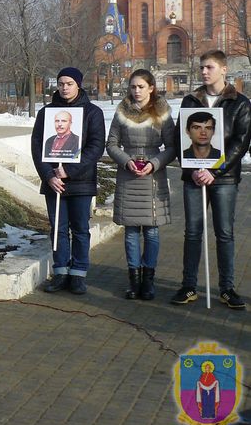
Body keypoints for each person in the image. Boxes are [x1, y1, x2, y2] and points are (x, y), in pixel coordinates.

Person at [171, 50, 251, 309]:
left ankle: (227, 288)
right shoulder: (191, 100)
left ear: (224, 70)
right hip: (194, 177)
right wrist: (192, 168)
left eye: (210, 67)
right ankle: (188, 285)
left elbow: (241, 143)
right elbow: (179, 137)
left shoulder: (239, 103)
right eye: (202, 68)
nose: (204, 72)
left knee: (225, 233)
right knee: (193, 232)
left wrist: (214, 170)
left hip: (224, 179)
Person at [31, 67, 105, 295]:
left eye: (69, 83)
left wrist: (70, 170)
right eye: (61, 83)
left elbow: (95, 146)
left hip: (80, 181)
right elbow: (37, 145)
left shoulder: (92, 112)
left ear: (79, 85)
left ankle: (78, 274)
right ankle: (61, 271)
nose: (64, 87)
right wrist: (49, 175)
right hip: (54, 182)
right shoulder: (47, 113)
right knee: (58, 229)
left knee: (81, 229)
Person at [106, 69, 177, 300]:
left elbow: (172, 147)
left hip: (153, 176)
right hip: (129, 175)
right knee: (130, 231)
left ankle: (148, 281)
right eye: (133, 87)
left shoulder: (163, 112)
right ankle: (134, 282)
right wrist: (127, 162)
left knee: (152, 231)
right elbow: (111, 144)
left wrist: (154, 163)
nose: (136, 91)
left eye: (141, 87)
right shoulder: (121, 112)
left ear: (151, 88)